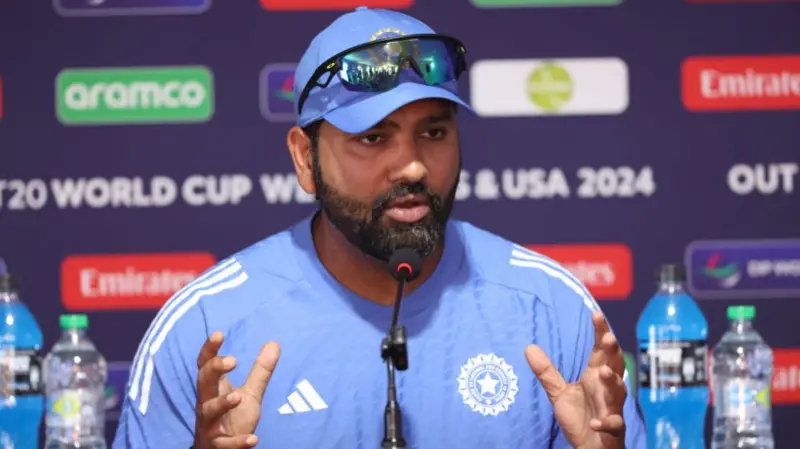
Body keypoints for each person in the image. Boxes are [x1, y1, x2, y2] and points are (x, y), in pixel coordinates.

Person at [113, 7, 646, 449]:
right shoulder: (208, 327)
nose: (411, 167)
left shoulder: (552, 311)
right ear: (304, 159)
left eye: (433, 132)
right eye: (373, 138)